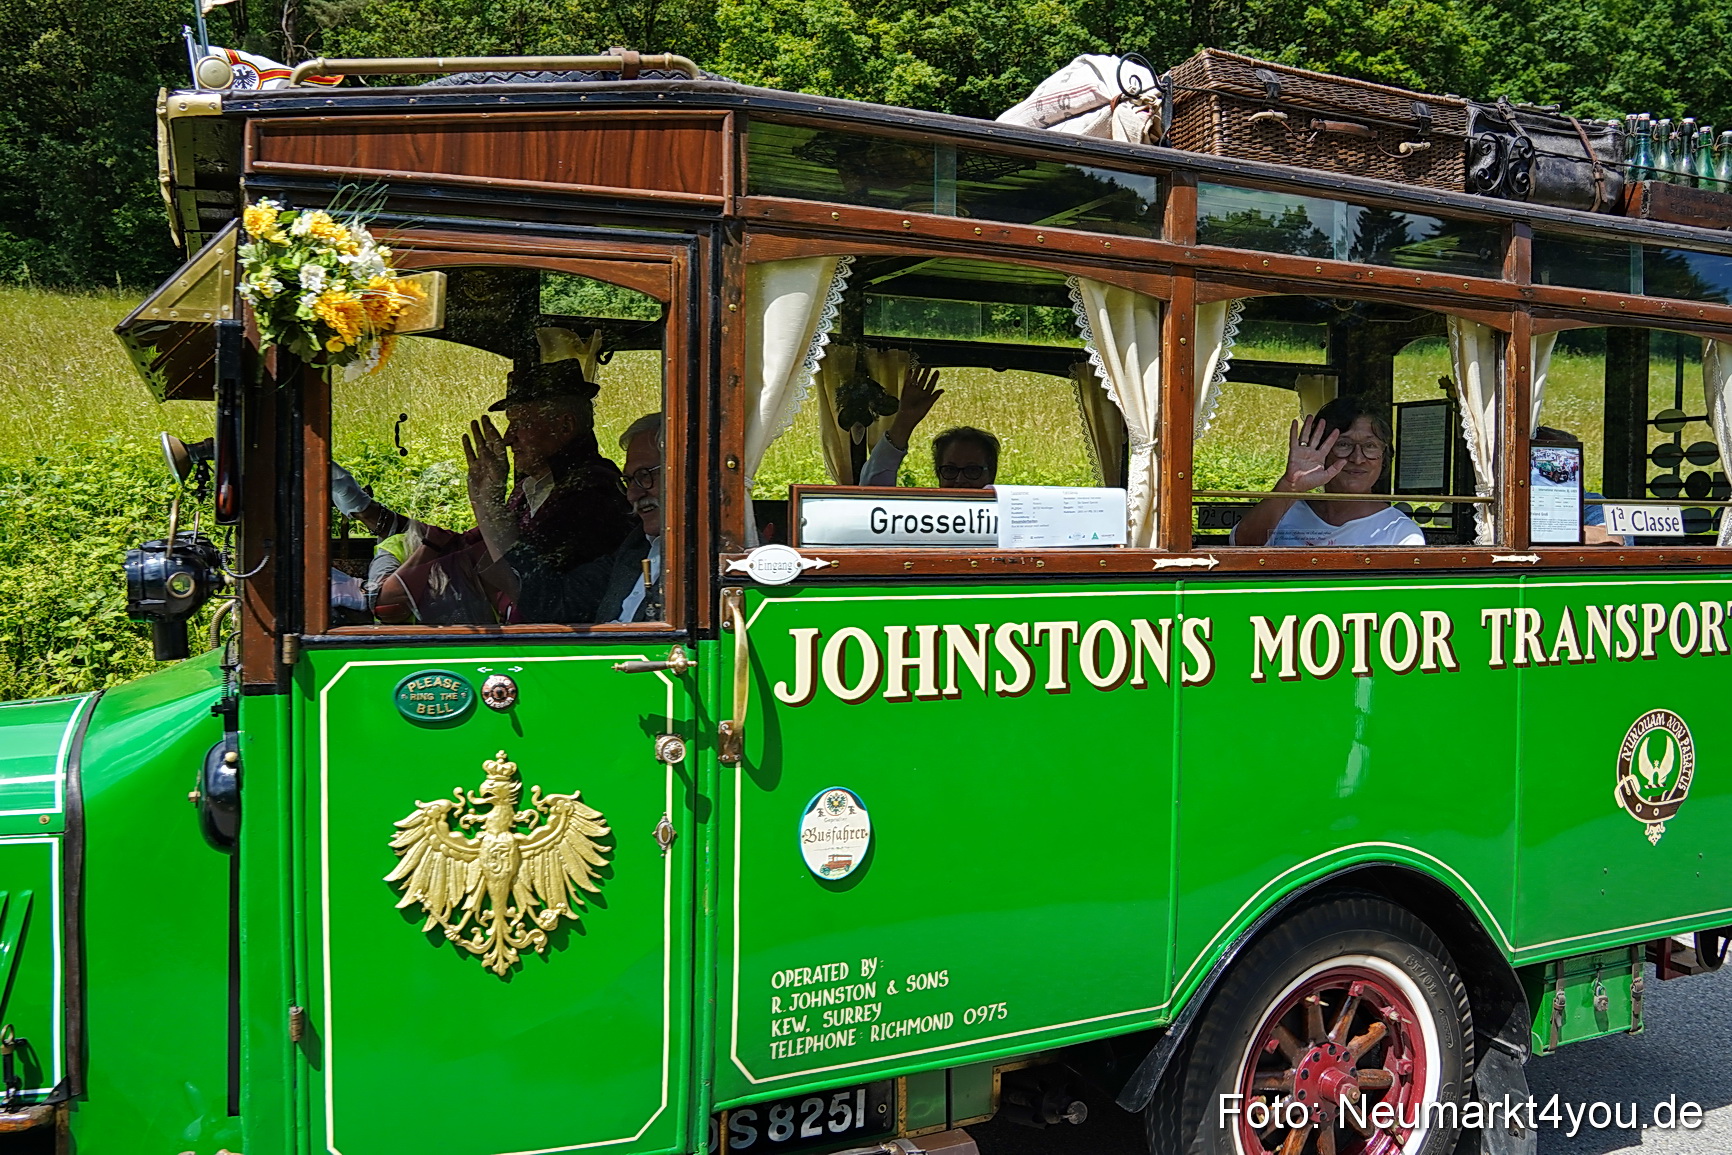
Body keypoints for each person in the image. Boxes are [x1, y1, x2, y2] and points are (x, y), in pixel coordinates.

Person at [338, 360, 636, 624]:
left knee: (380, 598)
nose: (508, 439)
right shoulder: (535, 485)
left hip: (531, 639)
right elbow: (480, 542)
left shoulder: (588, 494)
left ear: (565, 426)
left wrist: (487, 502)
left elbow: (521, 578)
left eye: (519, 424)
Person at [518, 413, 665, 624]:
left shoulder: (707, 563)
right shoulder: (636, 547)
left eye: (645, 476)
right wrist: (487, 505)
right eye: (630, 480)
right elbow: (557, 603)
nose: (633, 495)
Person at [1231, 396, 1425, 548]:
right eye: (1344, 444)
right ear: (1322, 450)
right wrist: (1289, 486)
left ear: (1384, 456)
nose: (1357, 458)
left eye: (1370, 446)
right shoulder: (1284, 510)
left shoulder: (1401, 533)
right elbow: (1240, 547)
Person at [857, 367, 1000, 490]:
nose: (959, 480)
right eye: (950, 470)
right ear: (938, 473)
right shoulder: (927, 517)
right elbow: (873, 490)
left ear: (991, 476)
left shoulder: (1007, 516)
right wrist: (904, 422)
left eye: (972, 470)